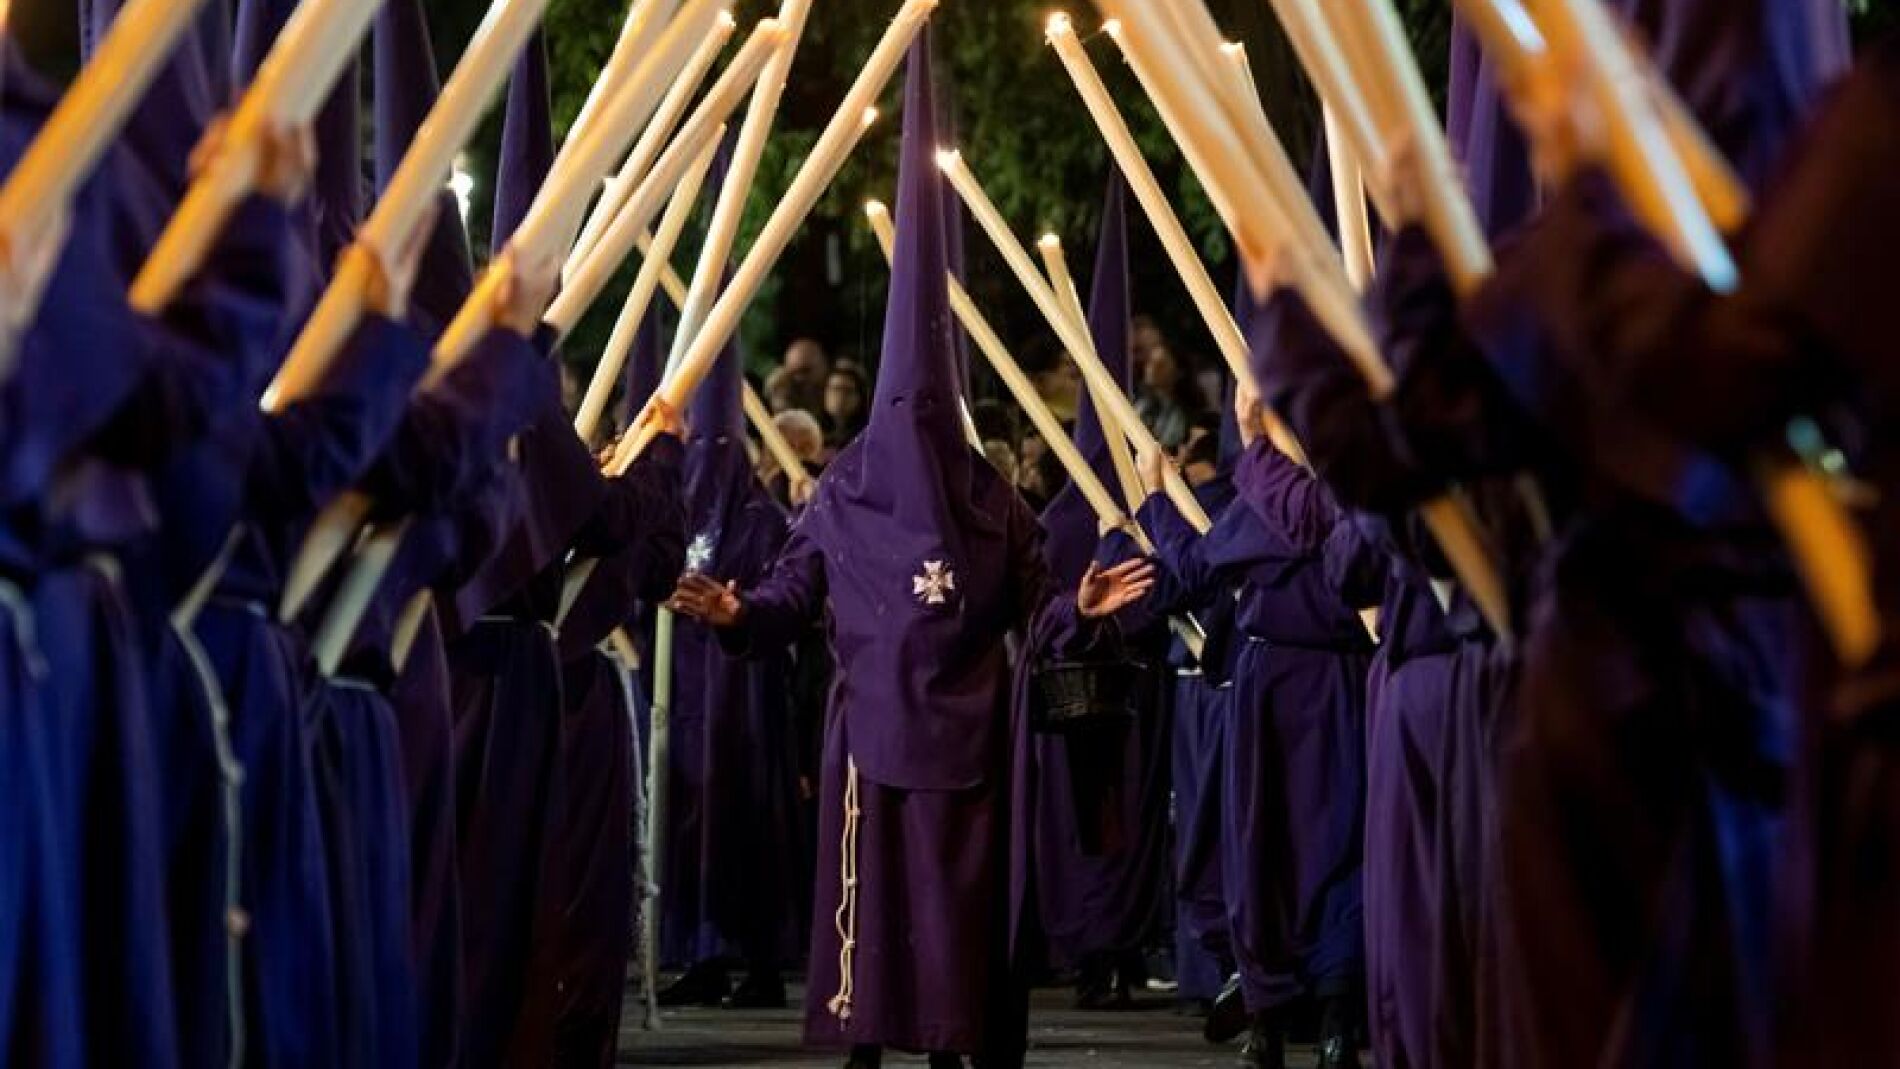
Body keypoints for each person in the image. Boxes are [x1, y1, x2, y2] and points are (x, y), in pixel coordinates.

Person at [668, 33, 1155, 1068]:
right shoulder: (845, 489)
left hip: (968, 751)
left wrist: (1084, 605)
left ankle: (950, 1038)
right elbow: (794, 593)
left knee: (954, 911)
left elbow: (1040, 600)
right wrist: (737, 612)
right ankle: (865, 1038)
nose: (915, 428)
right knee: (873, 905)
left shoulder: (990, 499)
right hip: (871, 746)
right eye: (902, 409)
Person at [1135, 346, 1208, 450]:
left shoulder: (1184, 414)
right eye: (1150, 361)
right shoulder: (1142, 403)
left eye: (1161, 365)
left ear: (1179, 372)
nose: (1152, 368)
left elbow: (1167, 446)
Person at [821, 360, 870, 453]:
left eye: (847, 390)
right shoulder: (814, 433)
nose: (840, 396)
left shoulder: (866, 436)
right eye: (835, 389)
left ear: (859, 397)